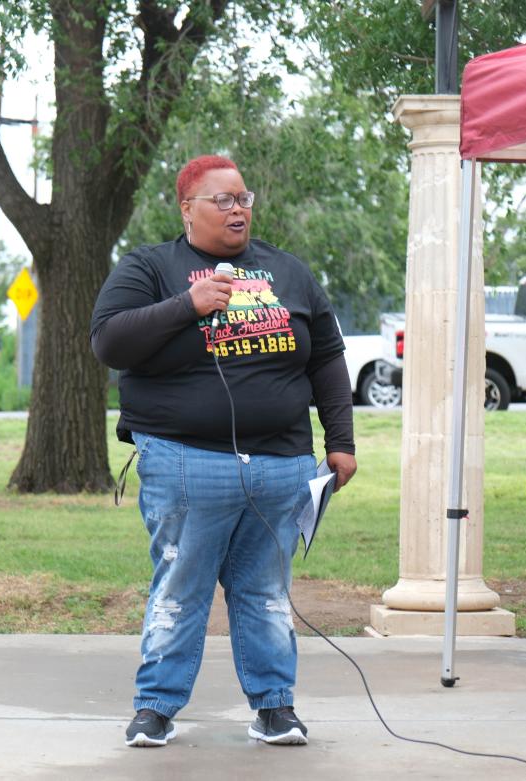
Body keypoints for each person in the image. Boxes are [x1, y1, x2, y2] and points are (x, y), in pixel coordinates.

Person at [90, 155, 357, 747]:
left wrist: (340, 440)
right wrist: (189, 304)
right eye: (224, 201)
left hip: (282, 464)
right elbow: (109, 341)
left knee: (265, 591)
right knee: (181, 586)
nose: (239, 210)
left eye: (244, 199)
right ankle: (155, 708)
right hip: (186, 462)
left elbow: (327, 358)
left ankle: (274, 707)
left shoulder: (288, 272)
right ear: (187, 208)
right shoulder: (151, 268)